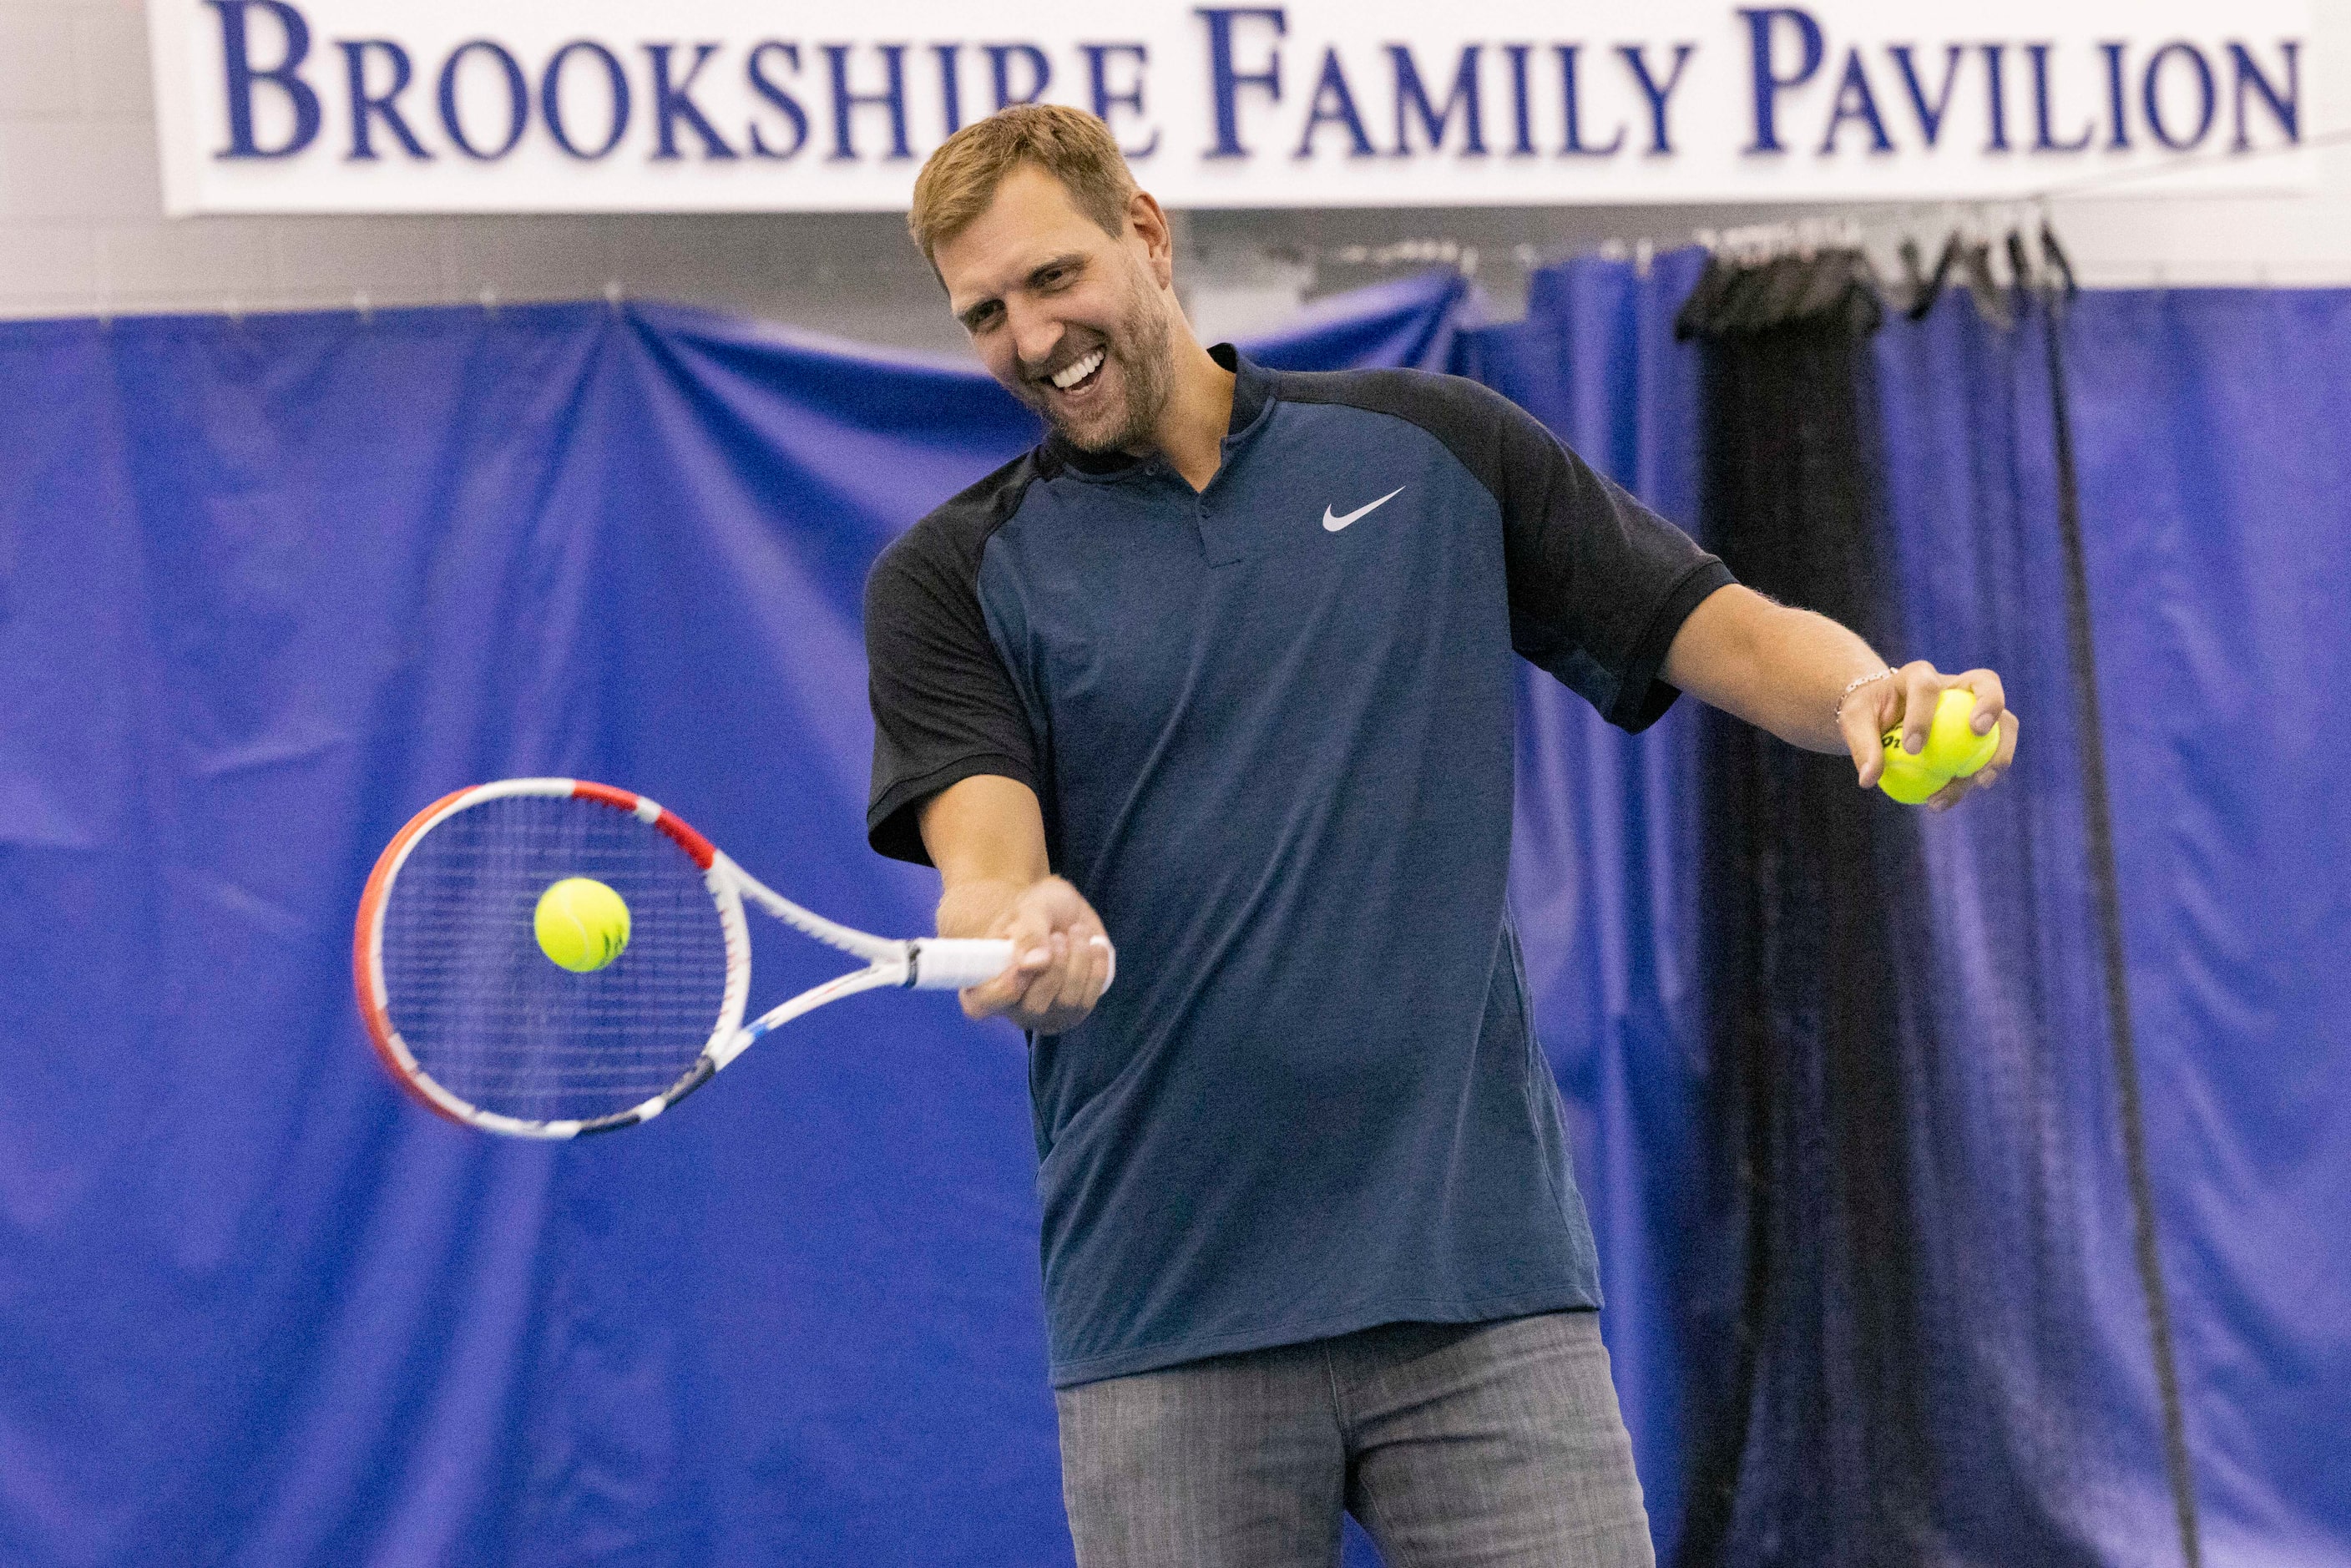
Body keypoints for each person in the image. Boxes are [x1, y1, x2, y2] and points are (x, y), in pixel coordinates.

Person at [861, 105, 2018, 1568]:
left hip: (1482, 1284)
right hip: (1171, 1313)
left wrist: (1867, 690)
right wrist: (1023, 923)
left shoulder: (1435, 452)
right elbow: (989, 861)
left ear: (1144, 234)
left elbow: (1723, 627)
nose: (1031, 336)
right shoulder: (949, 580)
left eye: (1051, 278)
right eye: (984, 314)